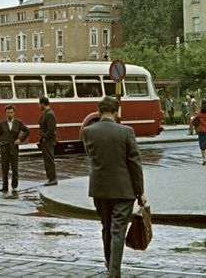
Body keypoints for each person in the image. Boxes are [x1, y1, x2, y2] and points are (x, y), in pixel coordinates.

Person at [82, 97, 147, 278]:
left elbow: (91, 157)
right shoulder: (126, 132)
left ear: (98, 111)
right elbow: (134, 163)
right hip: (124, 190)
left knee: (106, 227)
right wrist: (140, 191)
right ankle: (114, 271)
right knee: (118, 229)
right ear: (117, 111)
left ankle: (109, 263)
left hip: (100, 189)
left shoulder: (88, 132)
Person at [0, 104, 30, 194]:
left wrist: (20, 139)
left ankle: (14, 186)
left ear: (14, 113)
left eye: (11, 112)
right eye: (8, 112)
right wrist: (1, 144)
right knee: (4, 168)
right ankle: (4, 187)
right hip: (5, 149)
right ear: (5, 114)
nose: (9, 114)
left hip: (14, 149)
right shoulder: (1, 123)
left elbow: (27, 130)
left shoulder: (18, 122)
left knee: (15, 168)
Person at [38, 97, 57, 186]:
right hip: (45, 140)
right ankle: (50, 178)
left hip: (47, 141)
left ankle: (52, 179)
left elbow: (51, 129)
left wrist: (44, 136)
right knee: (47, 160)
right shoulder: (47, 113)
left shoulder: (49, 114)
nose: (39, 106)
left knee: (49, 160)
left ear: (42, 104)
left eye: (39, 104)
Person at [191, 99, 206, 165]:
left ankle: (204, 159)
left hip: (201, 130)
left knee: (202, 145)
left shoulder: (199, 113)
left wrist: (196, 125)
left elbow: (192, 120)